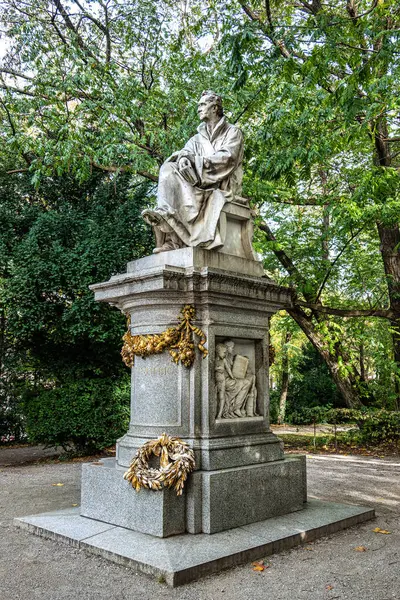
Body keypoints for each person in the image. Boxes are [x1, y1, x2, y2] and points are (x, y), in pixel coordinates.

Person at [142, 91, 244, 253]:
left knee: (185, 184)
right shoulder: (196, 139)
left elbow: (227, 159)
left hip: (221, 182)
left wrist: (195, 162)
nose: (198, 109)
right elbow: (185, 154)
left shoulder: (232, 132)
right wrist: (183, 160)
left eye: (202, 105)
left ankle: (171, 227)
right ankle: (168, 227)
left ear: (215, 108)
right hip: (196, 181)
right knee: (168, 168)